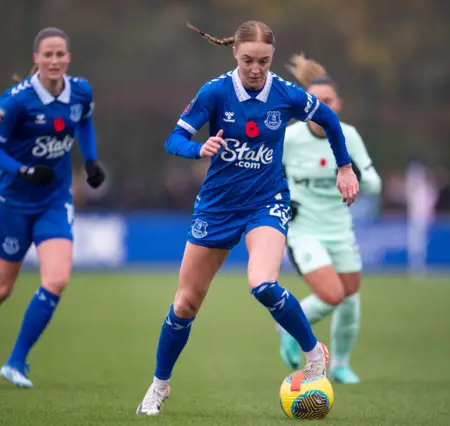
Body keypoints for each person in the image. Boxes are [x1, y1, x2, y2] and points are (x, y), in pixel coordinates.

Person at [136, 21, 359, 416]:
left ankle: (314, 357)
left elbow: (328, 118)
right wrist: (198, 147)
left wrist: (344, 167)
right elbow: (173, 139)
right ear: (234, 55)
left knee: (262, 283)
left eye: (264, 61)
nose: (256, 69)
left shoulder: (284, 93)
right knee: (186, 303)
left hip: (266, 202)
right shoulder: (215, 92)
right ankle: (159, 385)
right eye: (248, 60)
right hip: (217, 207)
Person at [0, 27, 105, 388]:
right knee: (1, 289)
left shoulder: (80, 91)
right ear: (36, 59)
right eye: (47, 54)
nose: (54, 60)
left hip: (55, 199)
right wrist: (24, 170)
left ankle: (16, 361)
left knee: (57, 279)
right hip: (13, 203)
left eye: (60, 54)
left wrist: (91, 160)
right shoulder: (15, 100)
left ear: (68, 58)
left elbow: (85, 121)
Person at [278, 54, 382, 384]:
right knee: (332, 294)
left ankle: (339, 365)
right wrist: (280, 201)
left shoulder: (348, 136)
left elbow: (374, 182)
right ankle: (289, 327)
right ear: (304, 106)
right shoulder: (290, 138)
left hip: (340, 230)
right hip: (303, 230)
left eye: (328, 102)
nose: (321, 108)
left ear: (338, 104)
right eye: (315, 103)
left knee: (350, 299)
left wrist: (355, 174)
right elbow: (264, 174)